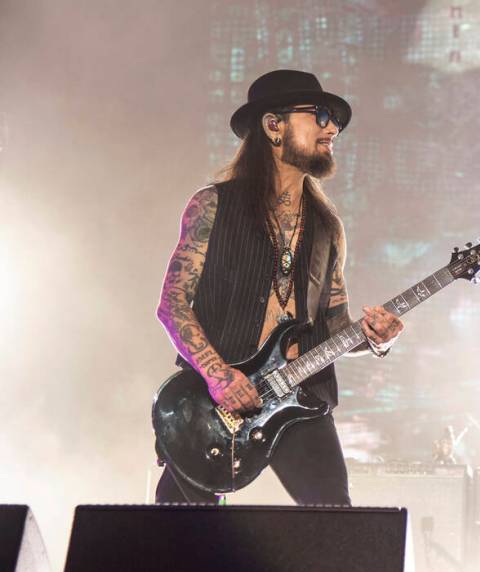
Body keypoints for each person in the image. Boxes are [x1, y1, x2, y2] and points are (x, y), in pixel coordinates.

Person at [154, 69, 403, 504]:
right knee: (177, 536)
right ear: (274, 126)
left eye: (336, 122)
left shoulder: (328, 227)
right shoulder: (213, 206)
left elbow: (334, 324)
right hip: (211, 405)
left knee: (336, 526)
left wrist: (374, 338)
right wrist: (218, 376)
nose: (333, 128)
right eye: (321, 115)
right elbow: (173, 303)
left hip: (300, 400)